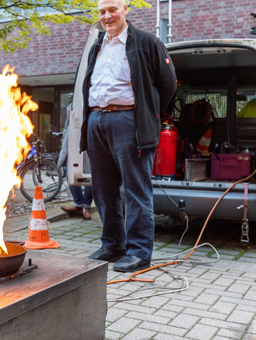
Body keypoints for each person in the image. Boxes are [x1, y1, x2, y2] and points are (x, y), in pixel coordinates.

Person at [79, 0, 177, 272]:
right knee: (103, 189)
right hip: (96, 119)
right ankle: (112, 244)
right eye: (102, 12)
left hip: (128, 119)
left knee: (135, 189)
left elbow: (167, 84)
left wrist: (146, 112)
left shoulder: (147, 42)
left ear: (125, 10)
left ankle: (139, 252)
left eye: (112, 9)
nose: (107, 16)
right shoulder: (98, 45)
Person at [57, 103, 93, 220]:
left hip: (88, 143)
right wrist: (64, 140)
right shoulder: (70, 106)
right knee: (70, 175)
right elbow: (67, 125)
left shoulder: (92, 103)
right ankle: (78, 204)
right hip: (72, 144)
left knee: (89, 176)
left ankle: (86, 207)